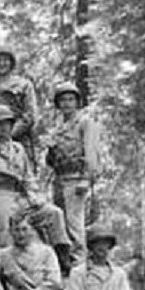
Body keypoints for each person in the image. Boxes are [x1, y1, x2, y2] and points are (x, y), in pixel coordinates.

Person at [0, 104, 71, 258]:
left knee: (54, 213)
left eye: (6, 123)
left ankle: (62, 255)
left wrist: (36, 198)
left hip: (21, 196)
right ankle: (8, 262)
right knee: (4, 224)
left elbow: (28, 177)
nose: (3, 128)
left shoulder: (18, 149)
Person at [43, 82, 100, 265]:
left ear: (77, 102)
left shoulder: (84, 123)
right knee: (60, 221)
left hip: (76, 178)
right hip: (59, 178)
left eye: (70, 99)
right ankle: (65, 260)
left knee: (74, 222)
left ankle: (79, 261)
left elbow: (91, 152)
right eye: (63, 100)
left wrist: (86, 178)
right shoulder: (58, 128)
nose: (67, 103)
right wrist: (51, 150)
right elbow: (50, 161)